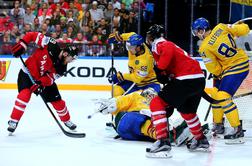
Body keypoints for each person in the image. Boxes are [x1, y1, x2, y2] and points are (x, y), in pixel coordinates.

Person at [144, 24, 209, 158]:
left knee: (156, 103)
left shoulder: (159, 43)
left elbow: (167, 49)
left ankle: (163, 141)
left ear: (152, 36)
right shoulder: (168, 46)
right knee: (187, 111)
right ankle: (200, 139)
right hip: (198, 79)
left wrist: (160, 67)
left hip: (185, 79)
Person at [191, 17, 250, 144]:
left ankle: (237, 128)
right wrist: (241, 25)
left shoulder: (204, 48)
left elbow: (214, 68)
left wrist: (220, 74)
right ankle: (218, 124)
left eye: (196, 31)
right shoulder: (221, 27)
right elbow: (244, 29)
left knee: (223, 96)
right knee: (215, 92)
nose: (196, 35)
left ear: (202, 30)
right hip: (242, 61)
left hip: (234, 68)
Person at [8, 31, 79, 134]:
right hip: (27, 73)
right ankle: (13, 121)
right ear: (65, 53)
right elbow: (32, 35)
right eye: (71, 58)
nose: (71, 61)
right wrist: (23, 45)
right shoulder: (50, 44)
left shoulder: (62, 68)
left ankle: (66, 120)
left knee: (58, 101)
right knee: (24, 96)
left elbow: (50, 78)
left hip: (42, 81)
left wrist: (40, 83)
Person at [95, 88, 209, 145]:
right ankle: (171, 135)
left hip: (137, 133)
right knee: (136, 119)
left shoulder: (158, 104)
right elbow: (121, 101)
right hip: (125, 122)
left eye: (154, 95)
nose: (151, 97)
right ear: (144, 94)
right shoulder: (136, 97)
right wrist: (111, 104)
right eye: (150, 95)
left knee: (158, 124)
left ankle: (174, 134)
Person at [108, 32, 160, 96]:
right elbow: (131, 34)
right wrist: (119, 37)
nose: (129, 49)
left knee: (139, 100)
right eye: (128, 47)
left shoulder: (145, 60)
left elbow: (137, 78)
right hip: (136, 82)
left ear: (139, 47)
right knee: (116, 91)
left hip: (149, 84)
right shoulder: (134, 46)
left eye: (131, 47)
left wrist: (120, 76)